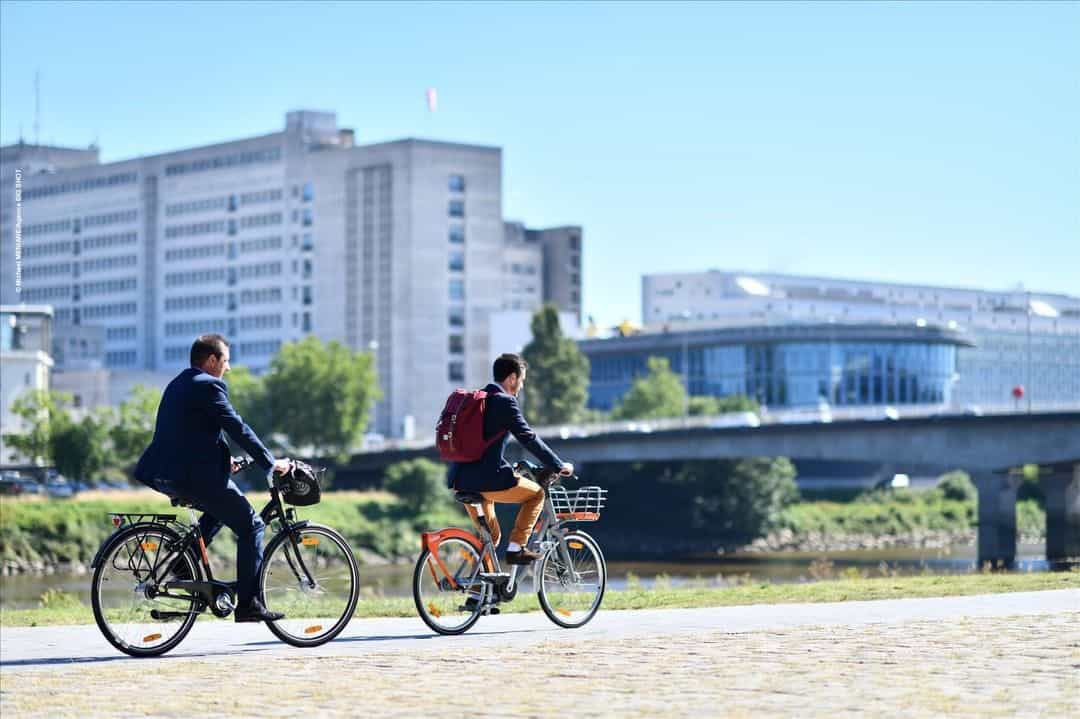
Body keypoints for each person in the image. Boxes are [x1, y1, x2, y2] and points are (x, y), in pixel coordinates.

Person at [134, 334, 290, 622]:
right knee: (252, 526)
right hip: (195, 476)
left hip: (167, 473)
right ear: (211, 360)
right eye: (226, 361)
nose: (228, 368)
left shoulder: (179, 383)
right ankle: (249, 604)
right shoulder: (209, 385)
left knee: (218, 512)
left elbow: (189, 433)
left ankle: (185, 568)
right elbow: (237, 428)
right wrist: (271, 463)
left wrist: (223, 461)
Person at [448, 353, 573, 565]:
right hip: (487, 480)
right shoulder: (505, 402)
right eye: (521, 381)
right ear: (512, 378)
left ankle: (478, 593)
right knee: (537, 495)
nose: (521, 386)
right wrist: (558, 465)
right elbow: (528, 438)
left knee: (491, 538)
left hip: (461, 479)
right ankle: (517, 548)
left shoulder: (476, 400)